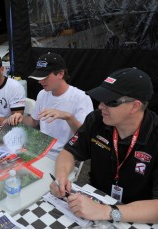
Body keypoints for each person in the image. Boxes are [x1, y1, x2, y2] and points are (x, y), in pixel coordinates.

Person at [51, 67, 158, 224]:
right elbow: (69, 152)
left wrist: (106, 211)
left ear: (135, 106)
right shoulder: (96, 120)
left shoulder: (154, 137)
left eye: (110, 102)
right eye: (101, 99)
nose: (101, 106)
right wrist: (61, 178)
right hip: (95, 203)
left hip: (138, 217)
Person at [7, 52, 93, 160]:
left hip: (64, 154)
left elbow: (85, 136)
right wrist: (21, 118)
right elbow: (34, 122)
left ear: (61, 74)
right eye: (39, 77)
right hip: (40, 149)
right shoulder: (42, 94)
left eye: (45, 77)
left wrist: (68, 117)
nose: (40, 81)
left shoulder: (81, 98)